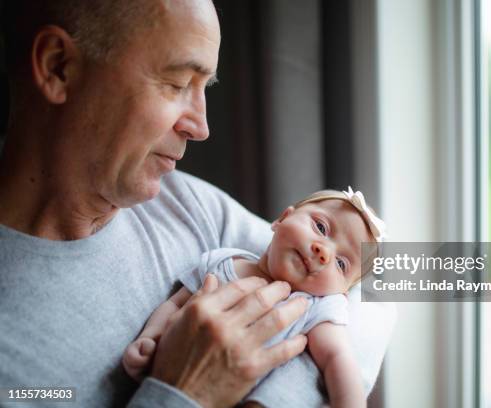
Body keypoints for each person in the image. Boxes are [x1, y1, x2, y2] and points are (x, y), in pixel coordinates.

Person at [0, 0, 395, 407]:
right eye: (176, 84)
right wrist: (185, 395)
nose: (201, 127)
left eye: (205, 87)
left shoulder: (189, 205)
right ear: (58, 66)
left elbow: (366, 305)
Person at [123, 189, 386, 407]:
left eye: (341, 264)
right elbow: (175, 303)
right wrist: (152, 336)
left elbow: (338, 359)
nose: (323, 252)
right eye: (320, 227)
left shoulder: (315, 306)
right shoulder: (223, 261)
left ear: (341, 292)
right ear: (282, 218)